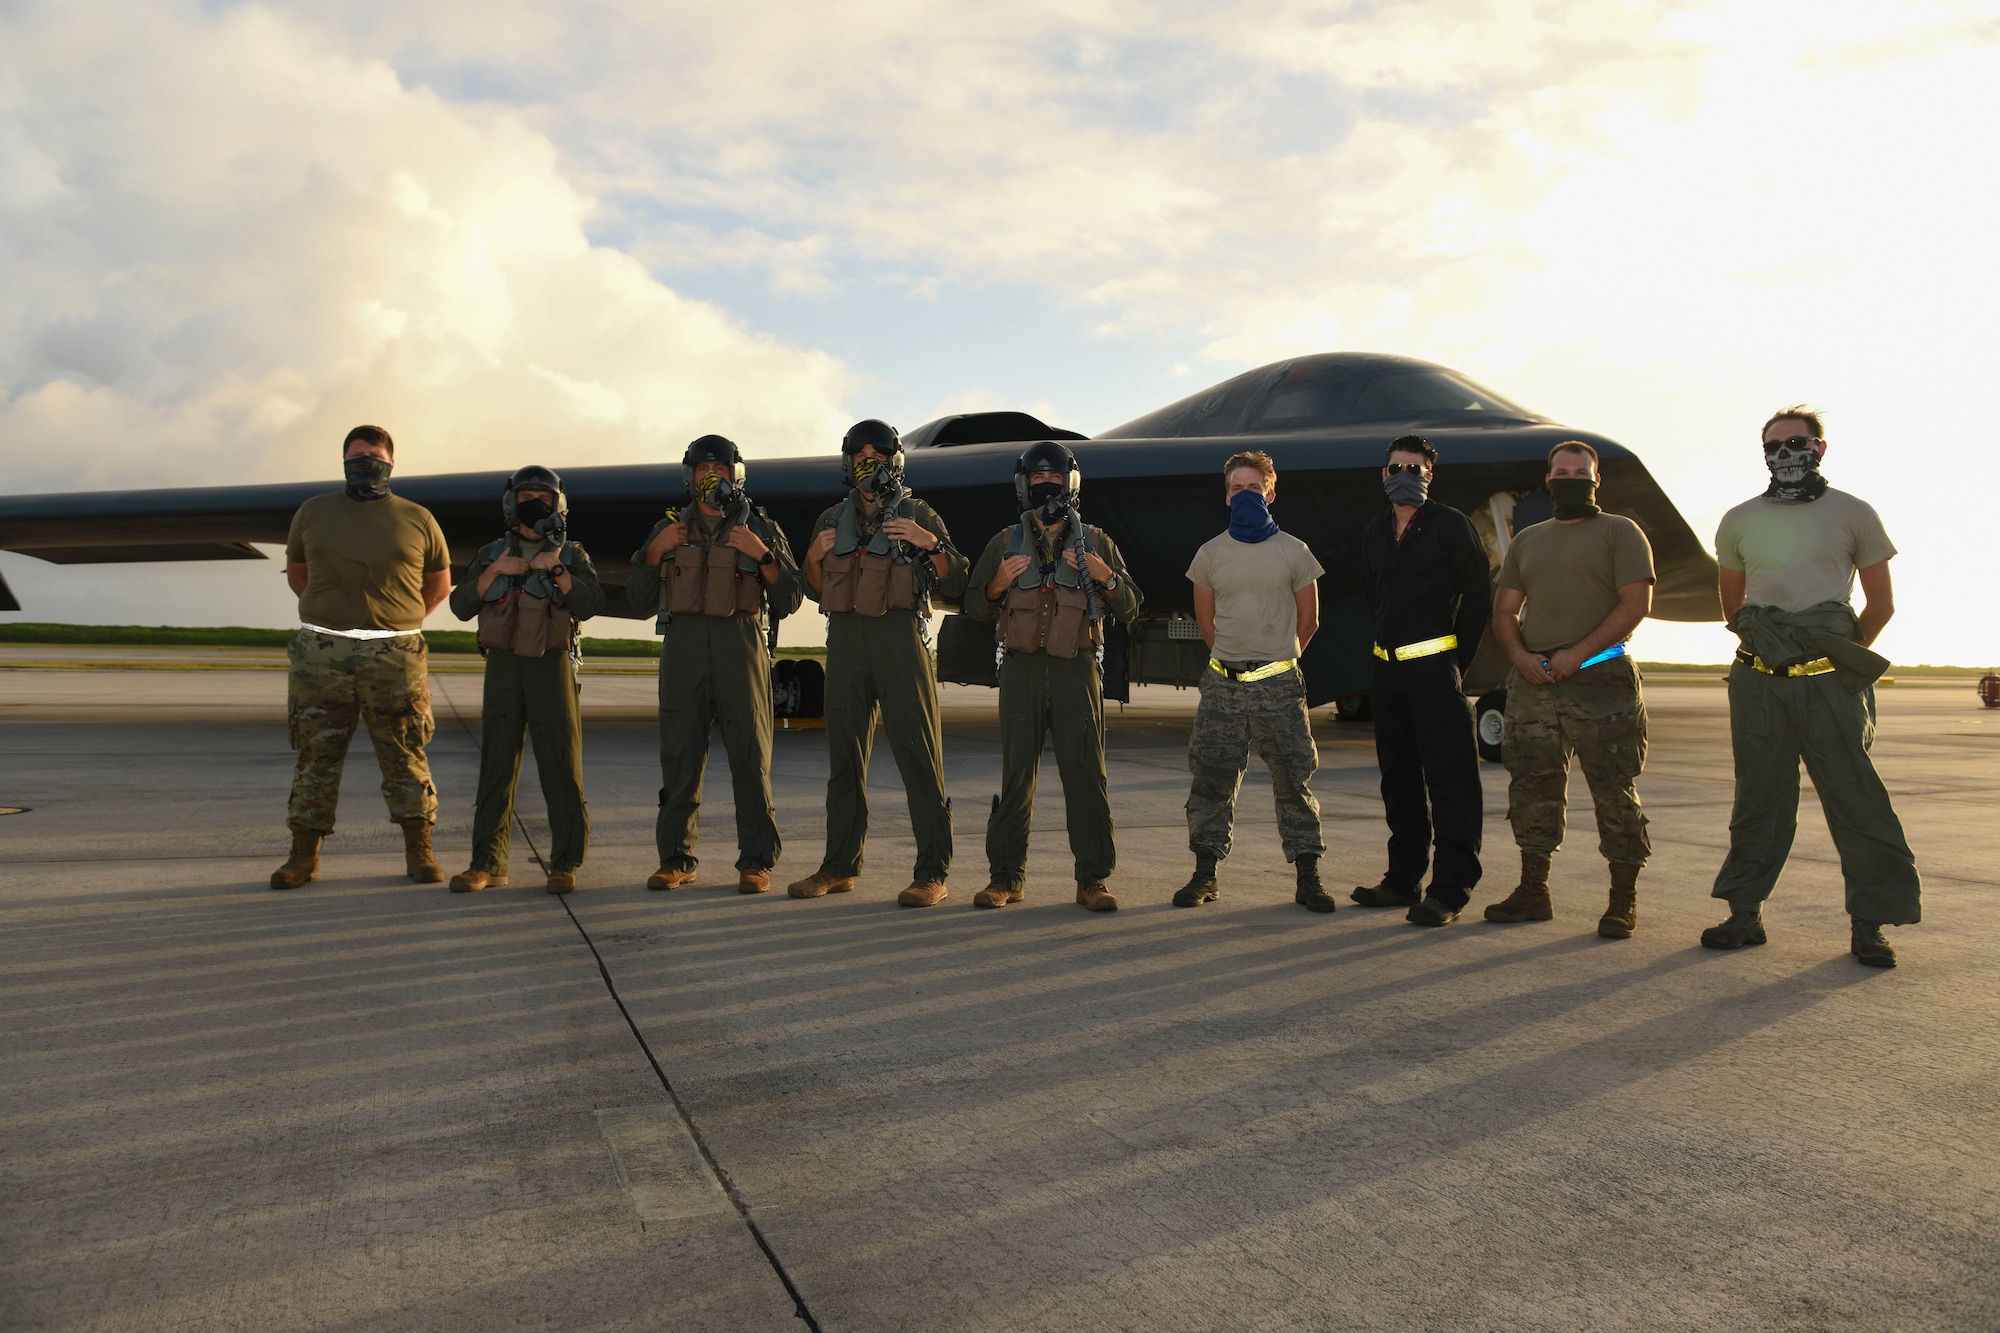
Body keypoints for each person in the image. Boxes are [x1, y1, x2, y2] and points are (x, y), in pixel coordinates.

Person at [1702, 406, 1918, 967]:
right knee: (1759, 800)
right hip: (1758, 681)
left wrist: (1839, 658)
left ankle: (1868, 924)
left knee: (1856, 799)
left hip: (1829, 684)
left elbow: (1882, 603)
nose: (1785, 453)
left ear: (1820, 448)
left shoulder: (1854, 513)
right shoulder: (1739, 519)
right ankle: (1744, 913)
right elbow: (1734, 607)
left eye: (1797, 442)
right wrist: (1775, 647)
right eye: (1773, 445)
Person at [788, 420, 967, 906]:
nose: (869, 463)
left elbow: (955, 581)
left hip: (899, 641)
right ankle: (839, 866)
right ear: (849, 464)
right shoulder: (830, 520)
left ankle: (932, 872)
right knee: (843, 759)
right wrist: (812, 557)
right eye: (860, 455)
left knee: (919, 755)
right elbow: (815, 588)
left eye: (879, 456)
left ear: (894, 464)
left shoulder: (918, 512)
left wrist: (927, 541)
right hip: (845, 643)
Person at [960, 441, 1145, 911]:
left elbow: (1130, 607)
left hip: (1076, 672)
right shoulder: (1004, 543)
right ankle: (1005, 878)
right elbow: (974, 608)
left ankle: (1093, 880)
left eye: (1056, 483)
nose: (1047, 490)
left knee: (1085, 778)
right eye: (1038, 482)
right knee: (1016, 777)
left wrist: (1105, 577)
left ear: (1071, 487)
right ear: (1024, 487)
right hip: (1021, 672)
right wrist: (998, 584)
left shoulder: (1097, 543)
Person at [270, 425, 451, 891]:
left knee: (406, 752)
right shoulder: (312, 513)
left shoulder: (418, 518)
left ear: (391, 462)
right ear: (344, 461)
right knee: (316, 755)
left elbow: (437, 585)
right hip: (322, 655)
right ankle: (302, 856)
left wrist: (396, 621)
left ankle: (420, 851)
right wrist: (333, 617)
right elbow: (298, 575)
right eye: (356, 456)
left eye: (373, 455)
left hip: (394, 655)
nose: (365, 462)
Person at [1485, 442, 1655, 936]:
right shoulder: (1528, 540)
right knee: (1533, 788)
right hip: (1534, 683)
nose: (1572, 478)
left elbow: (1635, 603)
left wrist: (1575, 654)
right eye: (1563, 472)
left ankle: (1623, 900)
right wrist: (1521, 659)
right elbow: (1504, 611)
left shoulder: (1621, 532)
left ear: (1596, 480)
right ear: (1548, 480)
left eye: (1582, 472)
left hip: (1603, 680)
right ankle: (1532, 891)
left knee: (1614, 790)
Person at [629, 436, 803, 893]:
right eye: (703, 471)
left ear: (735, 477)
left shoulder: (759, 527)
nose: (712, 480)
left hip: (740, 654)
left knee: (750, 760)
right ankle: (676, 859)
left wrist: (761, 554)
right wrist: (654, 553)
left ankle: (756, 862)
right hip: (683, 657)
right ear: (689, 477)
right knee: (680, 760)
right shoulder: (668, 530)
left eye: (720, 472)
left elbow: (791, 597)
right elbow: (637, 598)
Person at [1172, 450, 1331, 911]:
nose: (1245, 495)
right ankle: (1205, 875)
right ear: (1226, 496)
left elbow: (1310, 620)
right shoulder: (1209, 554)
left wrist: (1274, 660)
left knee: (1293, 780)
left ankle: (1308, 876)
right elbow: (1207, 625)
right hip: (1223, 683)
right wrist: (1236, 660)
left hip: (1279, 686)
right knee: (1211, 778)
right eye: (1237, 488)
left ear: (1271, 493)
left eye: (1254, 488)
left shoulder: (1295, 552)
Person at [1351, 434, 1492, 926]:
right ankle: (1401, 879)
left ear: (1429, 475)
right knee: (1399, 780)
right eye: (1395, 468)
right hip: (1387, 674)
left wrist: (1456, 663)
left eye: (1414, 467)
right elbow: (1374, 597)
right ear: (1383, 475)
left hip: (1435, 673)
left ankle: (1450, 890)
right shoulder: (1374, 531)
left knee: (1451, 781)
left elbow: (1478, 599)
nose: (1404, 475)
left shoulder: (1452, 526)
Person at [445, 466, 606, 895]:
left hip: (549, 667)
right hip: (502, 667)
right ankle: (487, 863)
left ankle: (565, 862)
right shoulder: (491, 553)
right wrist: (492, 573)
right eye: (525, 496)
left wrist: (558, 572)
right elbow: (460, 606)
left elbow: (591, 603)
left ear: (558, 505)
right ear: (509, 503)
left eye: (543, 497)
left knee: (560, 765)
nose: (533, 504)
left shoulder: (571, 554)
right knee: (496, 764)